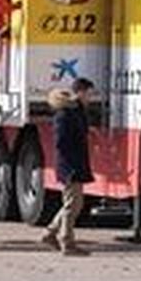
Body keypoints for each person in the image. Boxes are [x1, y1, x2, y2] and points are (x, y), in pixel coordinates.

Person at [41, 77, 95, 256]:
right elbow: (61, 142)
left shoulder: (76, 111)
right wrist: (71, 165)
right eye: (89, 93)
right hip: (70, 165)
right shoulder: (66, 114)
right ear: (80, 92)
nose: (90, 97)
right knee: (73, 204)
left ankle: (50, 233)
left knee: (72, 203)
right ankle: (67, 241)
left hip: (75, 163)